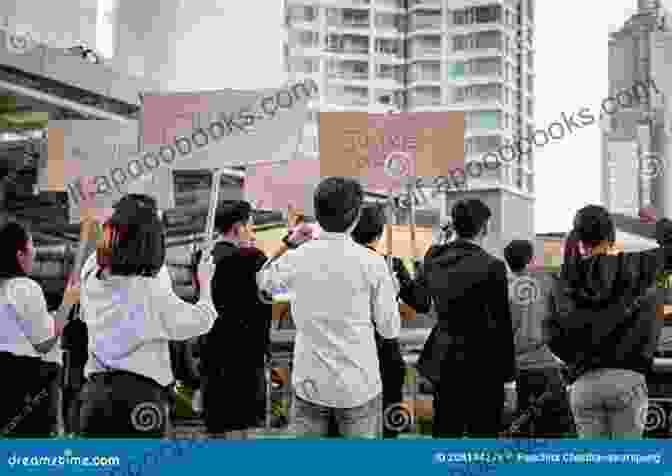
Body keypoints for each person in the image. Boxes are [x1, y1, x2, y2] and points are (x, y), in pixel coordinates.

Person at [257, 177, 400, 438]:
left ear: (317, 212)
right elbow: (390, 330)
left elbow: (263, 282)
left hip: (310, 384)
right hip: (359, 385)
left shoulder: (298, 257)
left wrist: (290, 242)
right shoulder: (374, 264)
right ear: (355, 217)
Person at [77, 194, 217, 437]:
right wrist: (205, 282)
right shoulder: (151, 292)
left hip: (94, 399)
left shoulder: (91, 276)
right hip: (140, 400)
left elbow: (105, 251)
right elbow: (203, 319)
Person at [547, 205, 672, 439]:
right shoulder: (636, 265)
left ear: (580, 236)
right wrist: (659, 227)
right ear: (611, 234)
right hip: (628, 381)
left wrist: (577, 360)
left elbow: (552, 335)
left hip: (583, 384)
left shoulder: (565, 278)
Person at [421, 199, 516, 438]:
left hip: (444, 361)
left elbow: (420, 297)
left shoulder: (434, 259)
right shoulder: (492, 266)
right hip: (482, 364)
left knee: (445, 432)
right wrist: (508, 373)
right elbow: (501, 323)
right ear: (484, 228)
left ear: (454, 225)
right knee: (483, 434)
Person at [350, 204, 431, 438]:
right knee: (388, 422)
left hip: (350, 353)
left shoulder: (337, 264)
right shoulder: (390, 264)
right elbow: (422, 303)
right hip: (385, 353)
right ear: (380, 232)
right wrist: (419, 270)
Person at [199, 200, 272, 439]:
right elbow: (269, 295)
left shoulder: (203, 259)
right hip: (245, 356)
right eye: (251, 225)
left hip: (212, 354)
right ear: (240, 227)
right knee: (243, 430)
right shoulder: (251, 259)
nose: (252, 231)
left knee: (217, 427)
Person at [0, 222, 78, 437]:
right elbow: (45, 343)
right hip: (23, 386)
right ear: (19, 254)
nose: (34, 252)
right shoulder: (24, 288)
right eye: (32, 245)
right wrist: (67, 304)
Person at [504, 239, 573, 437]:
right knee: (554, 431)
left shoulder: (506, 289)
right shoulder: (547, 282)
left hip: (520, 369)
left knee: (522, 430)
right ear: (531, 259)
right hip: (547, 366)